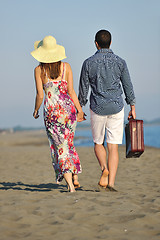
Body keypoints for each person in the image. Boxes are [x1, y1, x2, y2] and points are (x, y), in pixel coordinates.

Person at [78, 30, 136, 191]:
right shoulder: (120, 62)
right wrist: (132, 106)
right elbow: (127, 86)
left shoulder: (88, 63)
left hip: (97, 107)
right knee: (113, 147)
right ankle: (111, 183)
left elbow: (83, 89)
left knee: (98, 143)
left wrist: (80, 108)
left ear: (96, 43)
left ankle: (104, 168)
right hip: (117, 107)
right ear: (110, 43)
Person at [31, 35, 85, 192]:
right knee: (67, 144)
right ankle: (74, 177)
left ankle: (70, 185)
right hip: (69, 111)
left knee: (60, 147)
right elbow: (71, 91)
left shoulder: (39, 70)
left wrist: (35, 109)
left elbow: (40, 95)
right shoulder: (66, 67)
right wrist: (79, 110)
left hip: (52, 113)